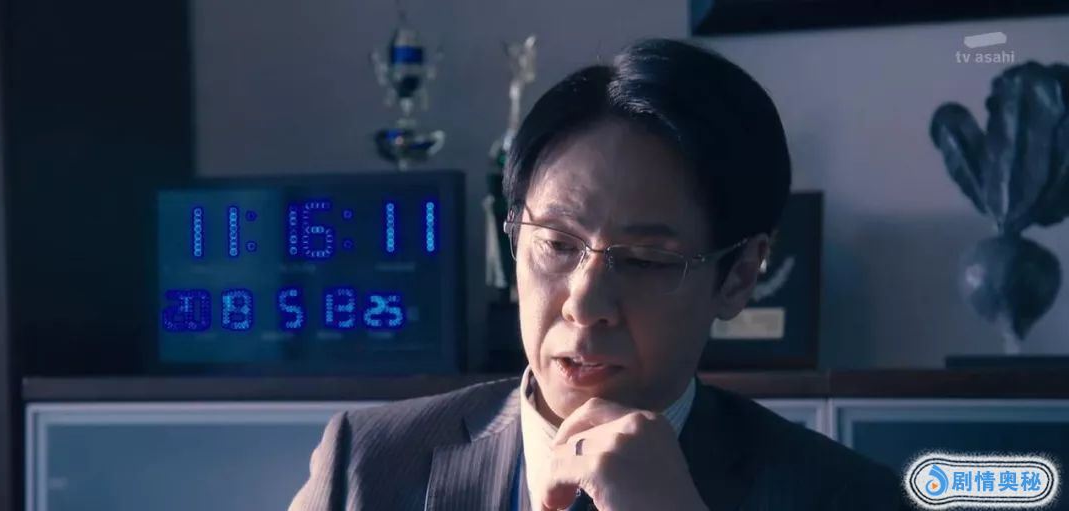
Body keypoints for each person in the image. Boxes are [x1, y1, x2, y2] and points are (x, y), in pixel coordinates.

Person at [289, 38, 905, 511]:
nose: (584, 304)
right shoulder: (367, 464)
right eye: (557, 245)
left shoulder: (847, 497)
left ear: (739, 276)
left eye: (644, 260)